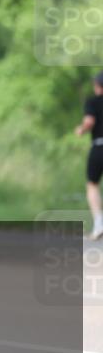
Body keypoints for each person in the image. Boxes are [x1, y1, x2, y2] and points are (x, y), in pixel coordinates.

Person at [74, 71, 103, 240]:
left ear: (97, 86)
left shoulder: (92, 102)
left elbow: (89, 122)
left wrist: (81, 130)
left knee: (92, 184)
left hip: (99, 146)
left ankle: (99, 224)